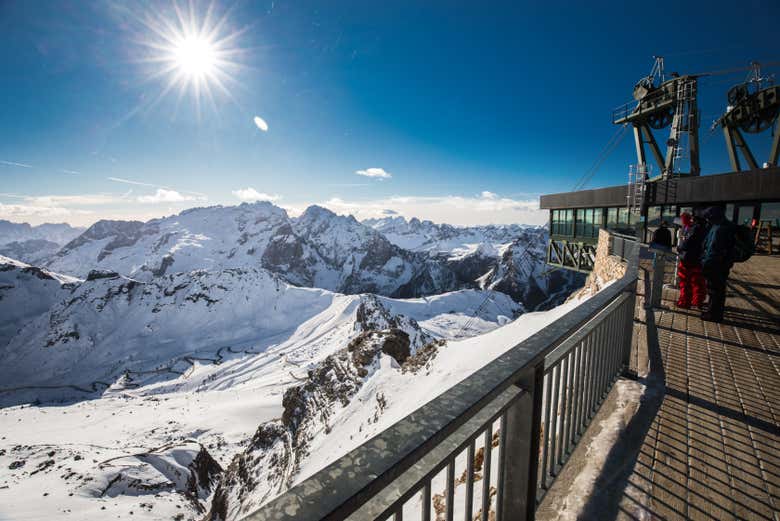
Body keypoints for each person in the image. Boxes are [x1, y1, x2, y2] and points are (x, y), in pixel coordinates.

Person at [700, 206, 736, 322]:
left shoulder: (719, 229)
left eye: (708, 218)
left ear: (713, 217)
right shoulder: (726, 226)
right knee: (717, 290)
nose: (707, 221)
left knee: (715, 290)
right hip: (723, 263)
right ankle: (712, 310)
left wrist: (706, 264)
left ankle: (713, 314)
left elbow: (713, 249)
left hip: (715, 264)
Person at [676, 212, 707, 309]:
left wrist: (679, 247)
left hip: (688, 259)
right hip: (699, 260)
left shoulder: (694, 229)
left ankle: (684, 302)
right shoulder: (706, 229)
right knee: (698, 282)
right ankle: (697, 301)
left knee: (685, 282)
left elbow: (687, 243)